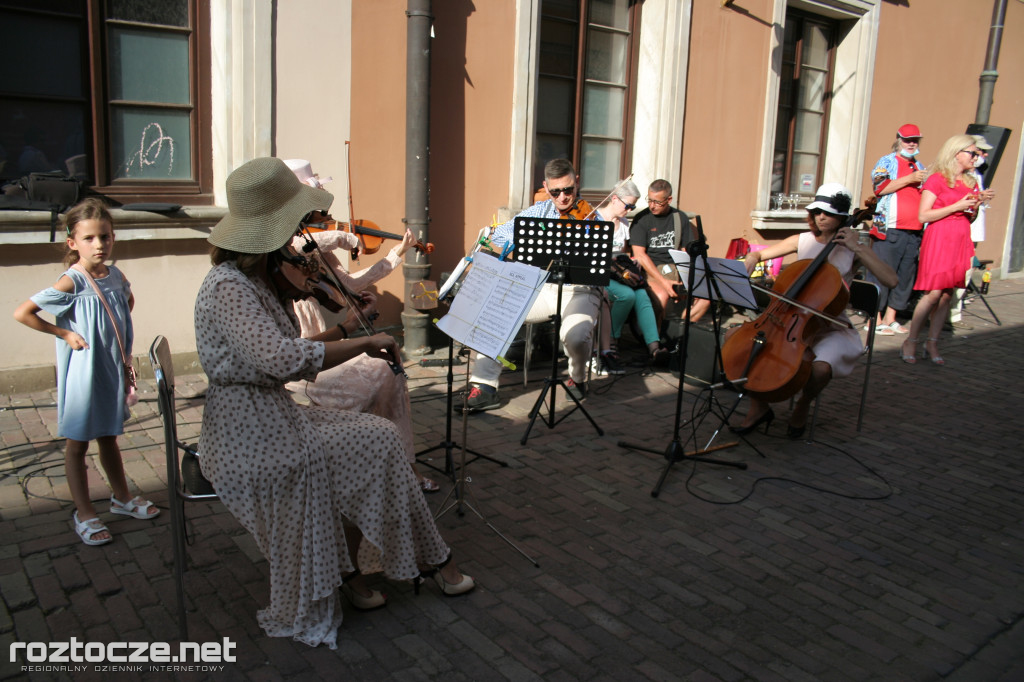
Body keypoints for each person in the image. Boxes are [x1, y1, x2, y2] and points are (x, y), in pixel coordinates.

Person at [193, 157, 473, 649]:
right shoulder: (229, 288)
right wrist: (361, 340)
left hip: (272, 415)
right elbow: (283, 358)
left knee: (379, 439)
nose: (301, 241)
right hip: (247, 432)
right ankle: (428, 562)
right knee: (367, 448)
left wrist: (348, 330)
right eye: (292, 228)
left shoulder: (257, 280)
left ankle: (367, 572)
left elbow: (286, 353)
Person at [281, 160, 438, 492]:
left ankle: (403, 467)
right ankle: (355, 466)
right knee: (372, 380)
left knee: (391, 370)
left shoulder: (315, 236)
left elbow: (352, 284)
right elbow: (297, 247)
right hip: (300, 357)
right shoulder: (283, 244)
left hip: (322, 345)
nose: (320, 209)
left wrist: (397, 254)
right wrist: (342, 236)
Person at [13, 198, 159, 546]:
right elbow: (24, 312)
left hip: (110, 371)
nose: (99, 245)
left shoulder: (116, 275)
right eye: (90, 238)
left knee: (109, 435)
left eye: (105, 237)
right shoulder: (71, 281)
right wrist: (64, 333)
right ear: (72, 242)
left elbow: (126, 302)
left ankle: (121, 498)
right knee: (77, 443)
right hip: (84, 372)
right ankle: (84, 512)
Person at [732, 183, 897, 438]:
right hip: (789, 322)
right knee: (755, 350)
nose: (821, 216)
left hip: (830, 326)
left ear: (842, 217)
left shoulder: (852, 249)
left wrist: (858, 248)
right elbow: (760, 255)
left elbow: (891, 280)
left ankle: (803, 404)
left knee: (820, 369)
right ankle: (759, 407)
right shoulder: (803, 240)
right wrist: (752, 258)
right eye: (817, 210)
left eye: (828, 213)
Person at [462, 158, 599, 411]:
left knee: (576, 335)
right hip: (541, 288)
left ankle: (577, 379)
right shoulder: (537, 212)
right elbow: (500, 234)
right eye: (556, 191)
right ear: (546, 187)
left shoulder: (591, 214)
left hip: (578, 290)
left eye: (568, 190)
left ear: (576, 182)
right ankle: (484, 387)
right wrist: (514, 247)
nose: (563, 198)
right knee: (494, 312)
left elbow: (605, 252)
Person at [902, 135, 983, 366]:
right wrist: (956, 206)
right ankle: (911, 340)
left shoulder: (970, 182)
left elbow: (970, 216)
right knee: (933, 293)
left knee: (948, 294)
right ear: (957, 152)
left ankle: (932, 342)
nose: (976, 158)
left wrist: (974, 206)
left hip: (960, 237)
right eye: (972, 153)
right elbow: (923, 215)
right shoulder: (937, 179)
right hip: (939, 237)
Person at [592, 179, 666, 369]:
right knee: (626, 295)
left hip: (620, 274)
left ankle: (654, 348)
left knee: (642, 295)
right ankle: (612, 339)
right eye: (628, 205)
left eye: (633, 206)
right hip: (601, 274)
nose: (630, 210)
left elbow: (623, 251)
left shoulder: (623, 223)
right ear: (615, 199)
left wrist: (631, 261)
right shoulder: (594, 218)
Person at [867, 124, 927, 336]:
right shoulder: (887, 161)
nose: (912, 144)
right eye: (907, 140)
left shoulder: (919, 165)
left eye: (915, 140)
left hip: (914, 230)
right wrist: (909, 179)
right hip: (890, 227)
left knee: (904, 276)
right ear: (899, 140)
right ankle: (875, 318)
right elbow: (880, 187)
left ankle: (892, 317)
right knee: (883, 273)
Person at [629, 179, 710, 330]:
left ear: (669, 199)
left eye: (657, 202)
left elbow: (687, 253)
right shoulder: (642, 219)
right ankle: (655, 341)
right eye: (650, 200)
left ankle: (680, 331)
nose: (652, 206)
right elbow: (639, 255)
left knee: (706, 296)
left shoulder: (680, 218)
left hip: (674, 268)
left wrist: (691, 280)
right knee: (662, 296)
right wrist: (664, 283)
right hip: (651, 270)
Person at [948, 135, 995, 329]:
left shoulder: (975, 174)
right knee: (952, 273)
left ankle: (954, 314)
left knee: (965, 273)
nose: (981, 156)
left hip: (972, 231)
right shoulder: (955, 174)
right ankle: (948, 315)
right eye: (977, 152)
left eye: (981, 152)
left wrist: (981, 198)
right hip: (957, 231)